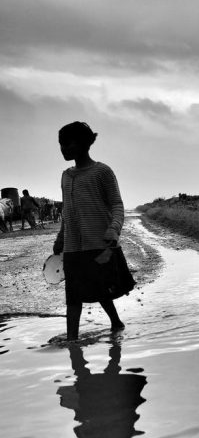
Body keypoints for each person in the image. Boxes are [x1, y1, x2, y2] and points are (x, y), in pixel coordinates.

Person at [53, 121, 136, 341]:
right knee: (73, 296)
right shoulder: (65, 176)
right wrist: (61, 237)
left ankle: (116, 322)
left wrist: (114, 229)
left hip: (97, 244)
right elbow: (67, 210)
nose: (63, 149)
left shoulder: (102, 172)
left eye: (67, 144)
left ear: (83, 144)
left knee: (99, 289)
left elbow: (117, 205)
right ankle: (72, 341)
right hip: (72, 248)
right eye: (61, 144)